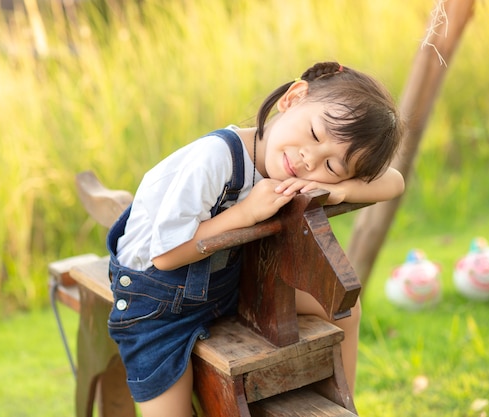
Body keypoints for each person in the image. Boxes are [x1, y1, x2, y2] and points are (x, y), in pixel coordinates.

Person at [106, 61, 405, 417]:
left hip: (229, 284)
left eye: (332, 165)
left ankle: (343, 407)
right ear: (293, 99)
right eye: (314, 134)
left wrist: (338, 189)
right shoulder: (215, 159)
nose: (309, 159)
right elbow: (165, 257)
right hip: (156, 304)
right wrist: (245, 214)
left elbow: (395, 182)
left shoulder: (304, 170)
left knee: (343, 307)